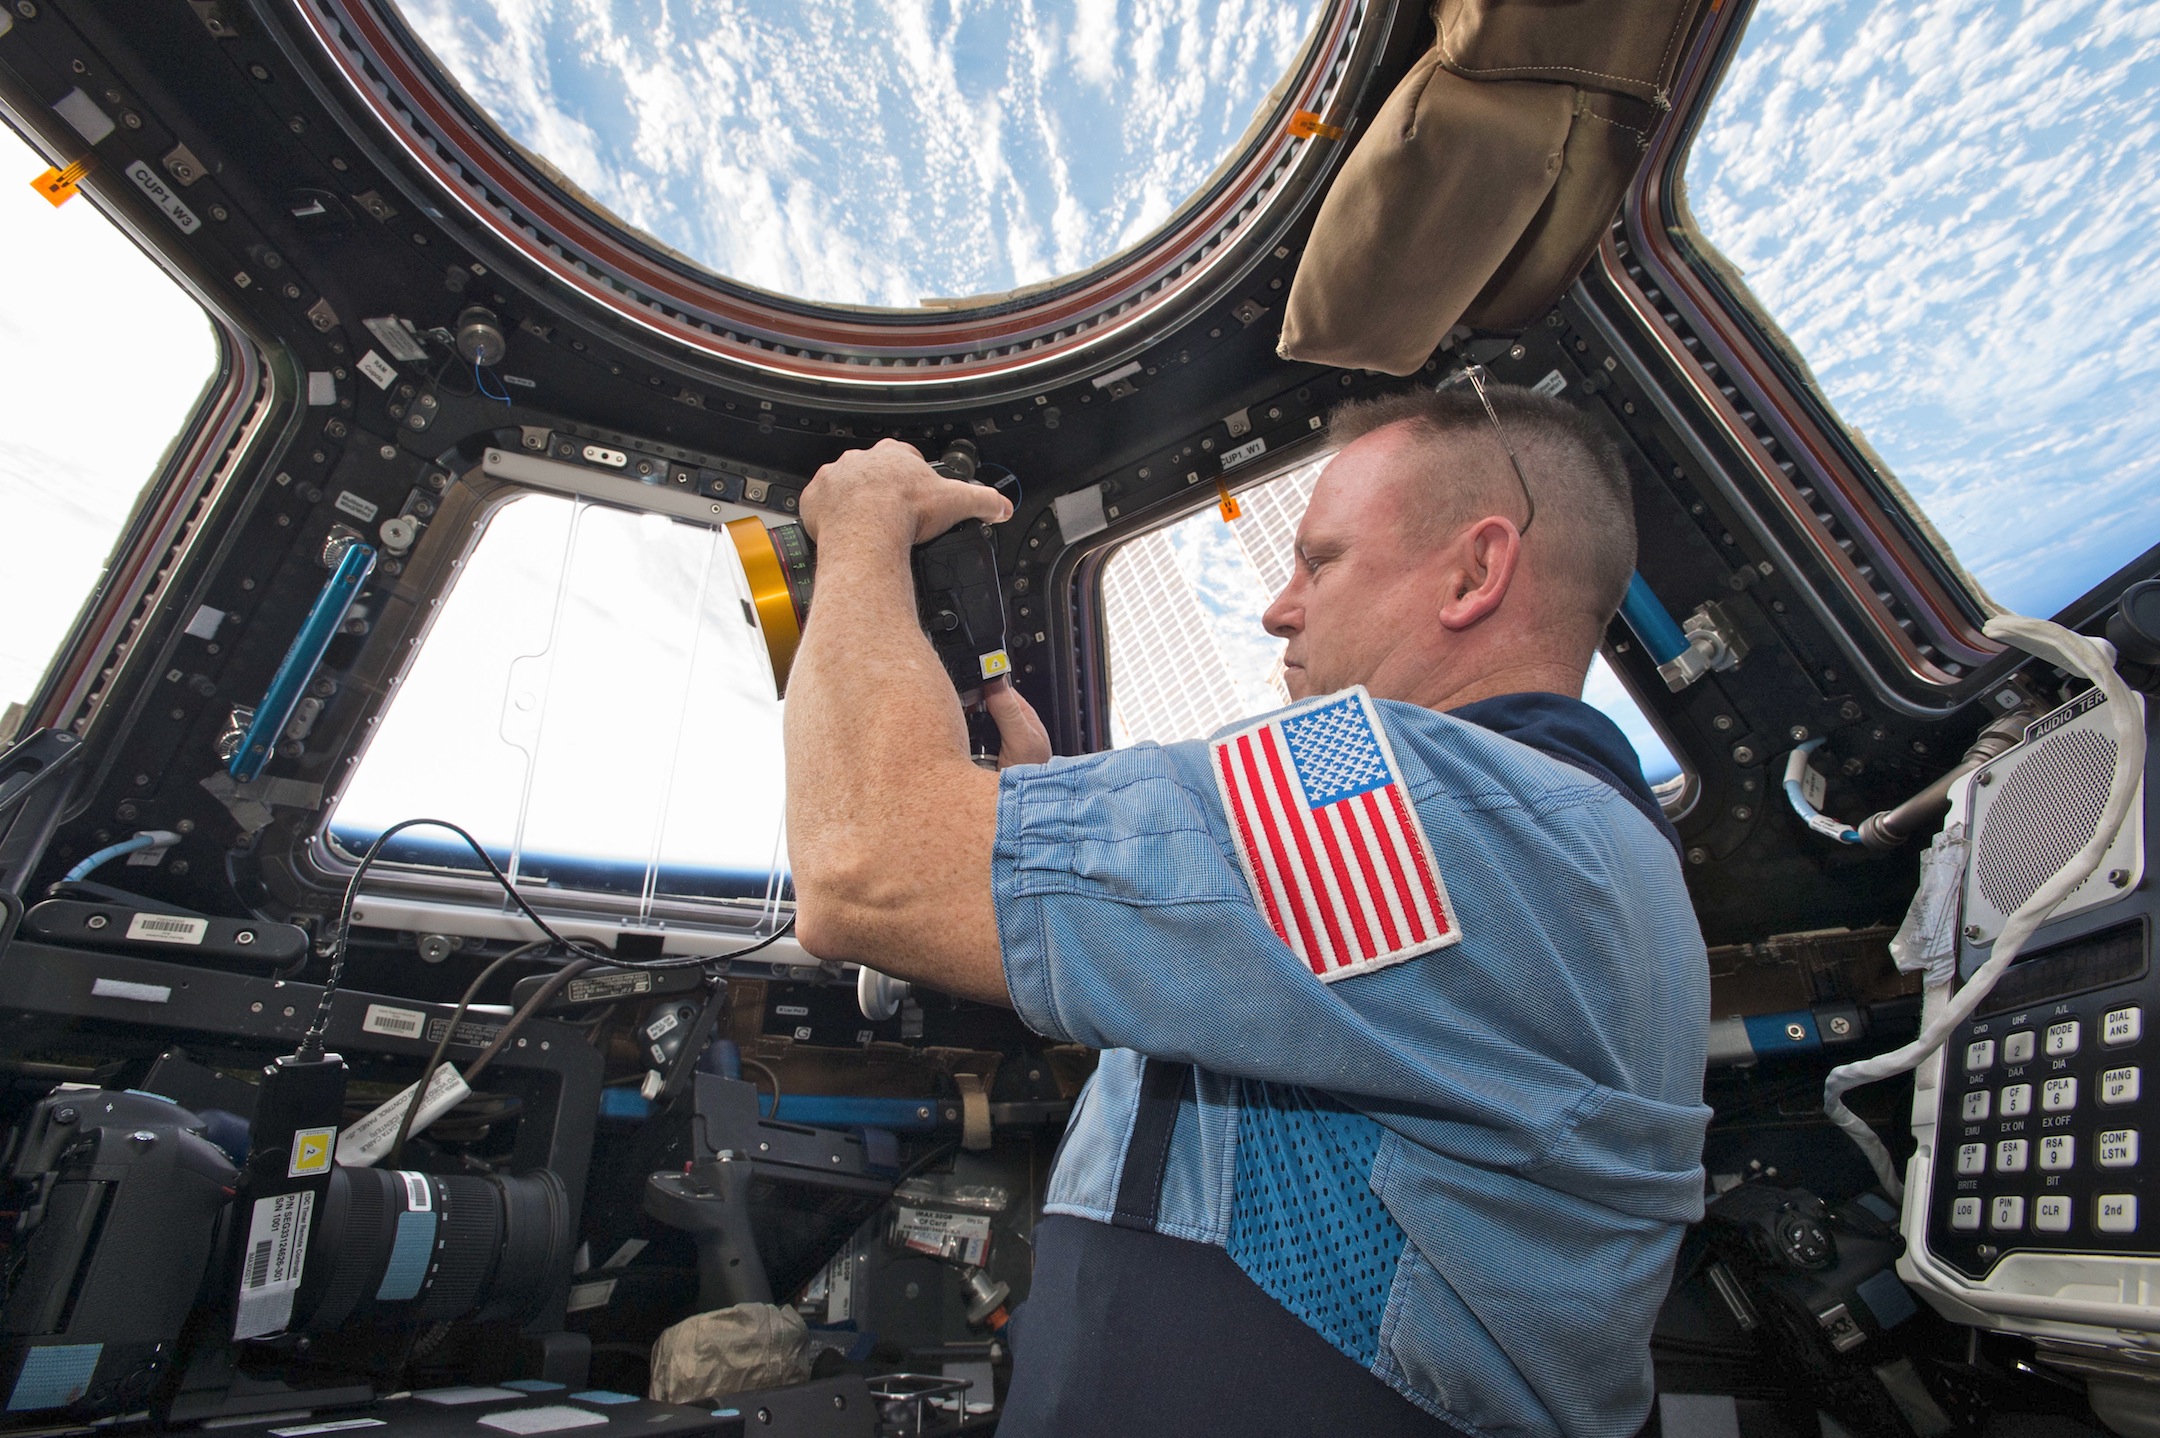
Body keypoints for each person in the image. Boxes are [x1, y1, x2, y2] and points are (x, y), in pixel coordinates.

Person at [782, 380, 1711, 1438]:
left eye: (1320, 559)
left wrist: (859, 529)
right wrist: (1016, 828)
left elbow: (864, 857)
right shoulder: (1582, 852)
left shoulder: (1424, 795)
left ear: (1475, 571)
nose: (1279, 605)